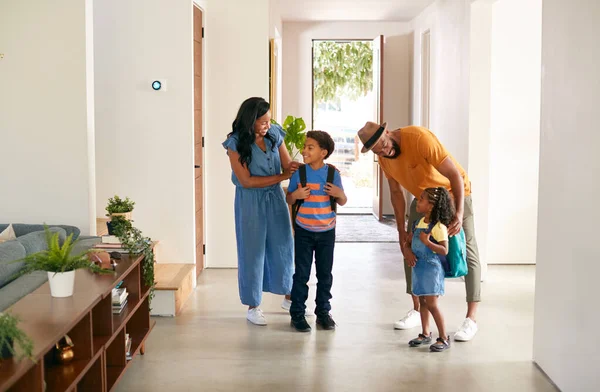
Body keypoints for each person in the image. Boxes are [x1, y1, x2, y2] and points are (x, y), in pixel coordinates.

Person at [357, 121, 481, 342]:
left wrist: (459, 213)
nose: (384, 151)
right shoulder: (384, 159)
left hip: (453, 194)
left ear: (387, 132)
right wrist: (400, 231)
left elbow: (454, 175)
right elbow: (396, 194)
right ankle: (417, 309)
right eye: (377, 151)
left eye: (383, 144)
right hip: (424, 200)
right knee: (410, 247)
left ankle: (471, 318)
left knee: (466, 251)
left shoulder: (419, 139)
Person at [222, 97, 299, 326]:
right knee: (252, 251)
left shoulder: (275, 133)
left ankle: (289, 297)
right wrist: (282, 177)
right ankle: (253, 305)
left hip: (274, 198)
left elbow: (287, 165)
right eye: (263, 122)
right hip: (250, 201)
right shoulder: (235, 144)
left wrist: (309, 167)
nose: (268, 125)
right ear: (250, 120)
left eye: (269, 120)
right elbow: (246, 181)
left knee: (284, 245)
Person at [286, 131, 347, 332]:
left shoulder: (333, 174)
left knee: (325, 274)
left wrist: (339, 194)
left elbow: (343, 200)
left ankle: (323, 313)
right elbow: (289, 199)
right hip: (303, 231)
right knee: (301, 274)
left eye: (310, 147)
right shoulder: (299, 174)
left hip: (327, 233)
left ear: (323, 152)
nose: (304, 151)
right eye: (304, 147)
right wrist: (296, 194)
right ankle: (297, 314)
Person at [407, 187, 454, 352]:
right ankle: (425, 333)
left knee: (432, 304)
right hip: (419, 267)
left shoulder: (438, 227)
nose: (418, 202)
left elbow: (444, 250)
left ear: (431, 206)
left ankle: (444, 337)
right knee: (422, 301)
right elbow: (409, 240)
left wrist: (428, 243)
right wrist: (408, 250)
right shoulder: (418, 223)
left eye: (421, 199)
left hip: (431, 269)